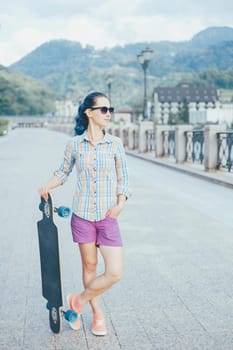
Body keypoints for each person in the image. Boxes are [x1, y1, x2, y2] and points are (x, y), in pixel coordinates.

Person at [38, 91, 129, 336]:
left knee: (115, 272)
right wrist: (47, 185)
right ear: (89, 112)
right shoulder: (74, 144)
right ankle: (97, 314)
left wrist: (120, 204)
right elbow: (63, 172)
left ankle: (76, 302)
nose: (108, 114)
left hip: (108, 215)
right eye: (104, 109)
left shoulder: (115, 144)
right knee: (89, 266)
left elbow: (124, 179)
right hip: (82, 215)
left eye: (111, 110)